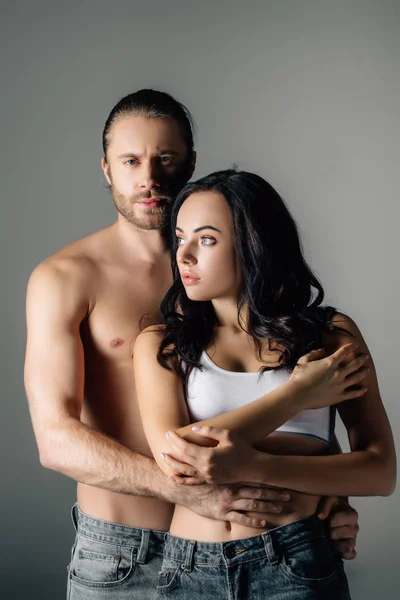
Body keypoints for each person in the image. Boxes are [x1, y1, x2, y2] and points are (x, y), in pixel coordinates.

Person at [24, 90, 362, 600]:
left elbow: (280, 390)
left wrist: (328, 495)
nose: (150, 178)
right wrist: (188, 490)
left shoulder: (227, 269)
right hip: (123, 553)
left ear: (191, 163)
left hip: (260, 545)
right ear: (106, 169)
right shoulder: (65, 278)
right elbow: (55, 438)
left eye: (166, 159)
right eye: (131, 161)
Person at [134, 169, 396, 599]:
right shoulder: (161, 344)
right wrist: (296, 396)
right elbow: (177, 458)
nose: (184, 256)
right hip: (190, 568)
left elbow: (380, 472)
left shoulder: (329, 335)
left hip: (296, 562)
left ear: (254, 242)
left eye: (207, 239)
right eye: (180, 238)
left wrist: (255, 466)